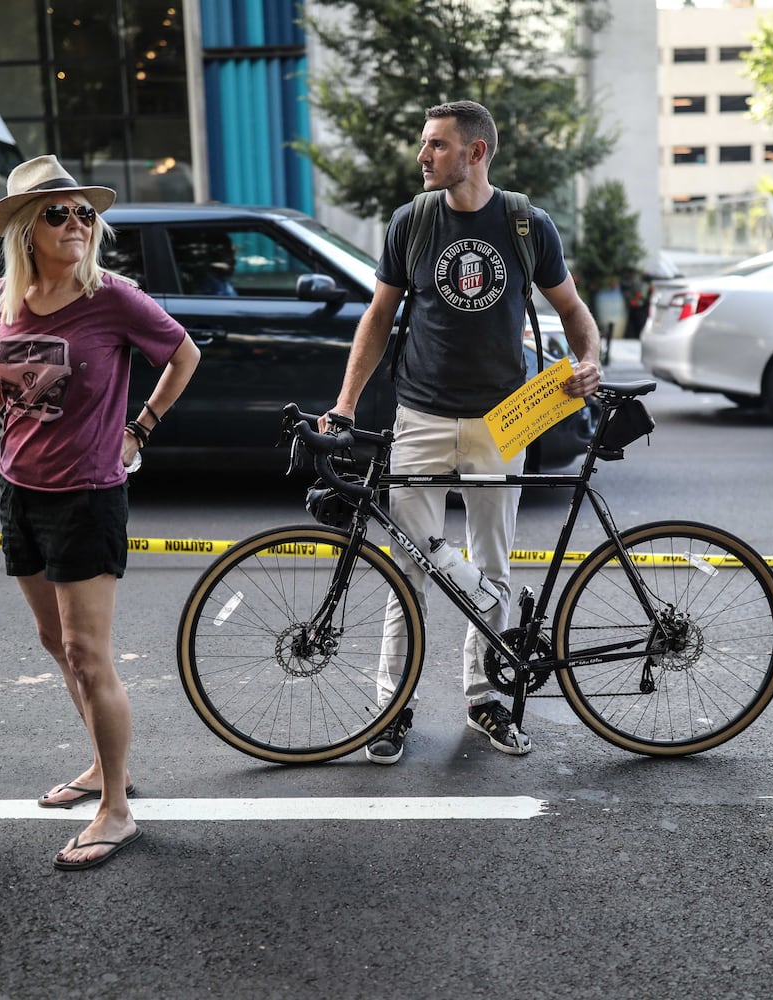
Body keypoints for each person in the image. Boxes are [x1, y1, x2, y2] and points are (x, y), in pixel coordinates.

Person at [321, 100, 601, 763]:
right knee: (409, 572)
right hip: (417, 415)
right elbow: (377, 317)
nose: (422, 156)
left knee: (493, 567)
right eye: (423, 144)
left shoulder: (527, 225)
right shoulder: (411, 222)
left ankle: (486, 701)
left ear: (475, 153)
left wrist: (588, 362)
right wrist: (346, 403)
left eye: (436, 146)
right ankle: (392, 709)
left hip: (503, 420)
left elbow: (573, 311)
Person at [0, 155, 200, 868]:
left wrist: (140, 428)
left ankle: (116, 811)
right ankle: (104, 765)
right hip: (19, 490)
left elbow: (183, 356)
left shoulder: (114, 298)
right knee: (54, 644)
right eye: (59, 213)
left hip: (88, 493)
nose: (77, 224)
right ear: (27, 228)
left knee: (90, 655)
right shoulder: (1, 297)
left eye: (85, 213)